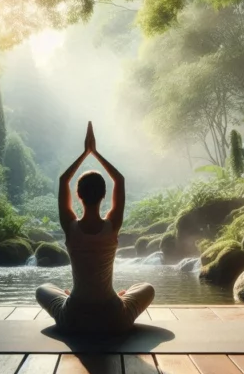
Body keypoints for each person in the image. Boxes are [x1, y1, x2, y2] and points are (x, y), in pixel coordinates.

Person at [35, 122, 155, 333]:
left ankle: (69, 295)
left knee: (42, 289)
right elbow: (119, 179)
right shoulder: (112, 226)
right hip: (114, 318)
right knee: (147, 289)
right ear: (103, 196)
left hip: (74, 317)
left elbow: (64, 180)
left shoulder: (70, 228)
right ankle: (118, 297)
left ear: (78, 196)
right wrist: (95, 152)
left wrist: (85, 153)